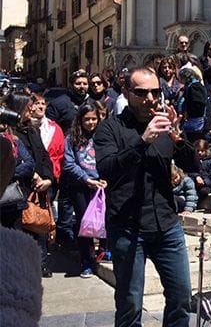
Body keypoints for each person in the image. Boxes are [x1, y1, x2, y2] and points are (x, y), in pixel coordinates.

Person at [94, 66, 200, 326]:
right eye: (142, 93)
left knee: (181, 296)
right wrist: (142, 141)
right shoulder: (111, 128)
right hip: (128, 227)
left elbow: (194, 163)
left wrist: (177, 135)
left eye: (155, 92)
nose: (150, 99)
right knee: (130, 302)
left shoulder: (165, 125)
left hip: (166, 224)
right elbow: (107, 168)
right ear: (127, 92)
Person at [3, 93, 57, 277]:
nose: (32, 109)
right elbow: (18, 163)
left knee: (38, 227)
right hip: (17, 191)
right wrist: (23, 171)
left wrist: (48, 178)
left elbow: (42, 156)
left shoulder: (31, 130)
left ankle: (40, 265)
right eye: (28, 107)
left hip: (38, 188)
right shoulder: (10, 133)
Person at [63, 103, 108, 278]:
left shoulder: (103, 136)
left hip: (102, 184)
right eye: (87, 119)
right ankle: (86, 260)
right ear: (80, 120)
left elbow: (110, 158)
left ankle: (104, 251)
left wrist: (105, 178)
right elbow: (69, 163)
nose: (90, 122)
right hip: (81, 186)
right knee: (84, 224)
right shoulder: (71, 139)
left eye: (93, 119)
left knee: (105, 219)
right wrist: (86, 179)